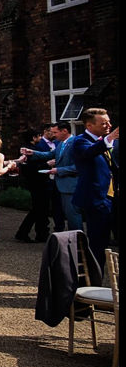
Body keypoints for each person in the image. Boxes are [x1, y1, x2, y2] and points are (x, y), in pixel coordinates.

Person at [71, 107, 118, 278]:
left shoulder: (107, 142)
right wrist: (110, 137)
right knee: (98, 244)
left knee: (109, 243)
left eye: (109, 122)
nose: (109, 125)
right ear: (89, 125)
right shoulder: (80, 141)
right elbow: (89, 153)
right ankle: (95, 284)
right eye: (104, 123)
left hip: (112, 198)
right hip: (96, 200)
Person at [14, 127, 54, 243]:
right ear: (33, 138)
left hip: (34, 182)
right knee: (40, 208)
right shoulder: (31, 150)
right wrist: (47, 164)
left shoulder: (27, 149)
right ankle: (32, 232)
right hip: (38, 182)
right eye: (39, 136)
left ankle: (33, 232)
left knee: (38, 208)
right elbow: (32, 168)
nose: (41, 138)